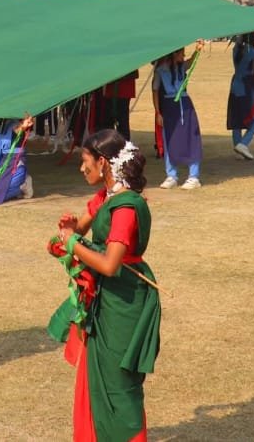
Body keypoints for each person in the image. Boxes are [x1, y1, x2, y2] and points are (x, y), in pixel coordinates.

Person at [47, 129, 161, 441]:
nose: (81, 168)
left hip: (124, 302)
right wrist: (69, 232)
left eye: (84, 161)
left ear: (102, 162)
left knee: (119, 384)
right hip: (104, 300)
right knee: (97, 379)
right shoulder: (106, 198)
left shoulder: (125, 208)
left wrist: (72, 243)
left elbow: (110, 264)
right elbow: (78, 229)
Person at [152, 45, 203, 190]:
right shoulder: (160, 70)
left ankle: (194, 176)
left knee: (190, 138)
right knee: (169, 139)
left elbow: (192, 61)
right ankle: (171, 175)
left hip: (185, 105)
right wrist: (158, 112)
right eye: (181, 54)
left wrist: (198, 50)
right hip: (169, 107)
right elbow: (155, 91)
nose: (183, 56)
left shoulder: (182, 67)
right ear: (174, 54)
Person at [226, 33, 254, 160]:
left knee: (236, 118)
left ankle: (238, 146)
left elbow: (237, 44)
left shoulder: (236, 50)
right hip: (247, 87)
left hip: (235, 85)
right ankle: (243, 144)